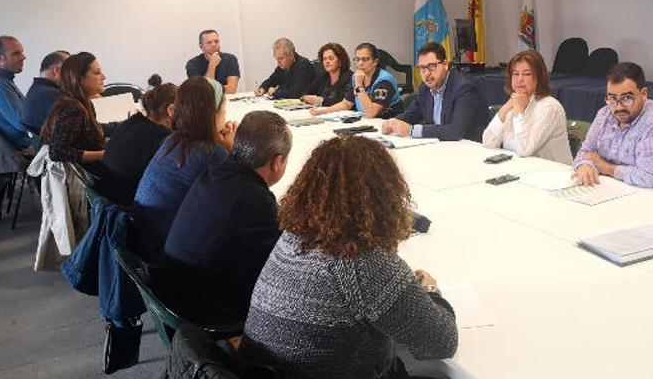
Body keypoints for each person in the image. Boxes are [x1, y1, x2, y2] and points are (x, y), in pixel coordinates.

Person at [241, 136, 457, 379]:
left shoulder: (292, 237)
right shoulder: (365, 266)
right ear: (385, 196)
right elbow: (442, 343)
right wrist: (429, 290)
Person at [160, 111, 289, 325]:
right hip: (207, 314)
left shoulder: (214, 173)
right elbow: (280, 264)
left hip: (173, 293)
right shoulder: (255, 200)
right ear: (277, 162)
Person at [133, 76, 237, 254]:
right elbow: (239, 199)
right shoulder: (212, 154)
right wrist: (230, 150)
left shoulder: (172, 140)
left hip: (142, 239)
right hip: (167, 252)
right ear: (213, 113)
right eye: (224, 109)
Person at [573, 62, 653, 196]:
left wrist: (606, 167)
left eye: (627, 98)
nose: (618, 107)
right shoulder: (605, 114)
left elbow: (649, 178)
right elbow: (586, 152)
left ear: (643, 94)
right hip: (625, 190)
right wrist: (585, 165)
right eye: (612, 98)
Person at [95, 75, 176, 206]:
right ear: (171, 110)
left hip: (105, 199)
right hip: (126, 208)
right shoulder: (161, 138)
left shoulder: (133, 121)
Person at [383, 42, 488, 141]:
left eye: (432, 66)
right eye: (422, 68)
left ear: (445, 65)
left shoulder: (464, 88)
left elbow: (455, 131)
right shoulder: (425, 88)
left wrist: (411, 130)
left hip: (470, 149)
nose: (426, 73)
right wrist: (392, 122)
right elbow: (411, 114)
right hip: (440, 147)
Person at [482, 49, 572, 163]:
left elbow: (524, 150)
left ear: (539, 78)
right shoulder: (515, 101)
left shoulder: (549, 107)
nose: (519, 79)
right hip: (519, 170)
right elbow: (488, 142)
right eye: (515, 74)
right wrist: (505, 108)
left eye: (526, 74)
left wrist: (520, 112)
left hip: (551, 174)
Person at [40, 52, 116, 176]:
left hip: (92, 171)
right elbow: (57, 152)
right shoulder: (74, 109)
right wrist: (103, 155)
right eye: (97, 73)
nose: (103, 77)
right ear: (79, 78)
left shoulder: (80, 103)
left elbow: (88, 130)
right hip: (93, 176)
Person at [310, 42, 400, 119]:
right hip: (366, 121)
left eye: (364, 59)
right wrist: (323, 111)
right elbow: (346, 104)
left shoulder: (384, 80)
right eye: (357, 59)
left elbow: (371, 113)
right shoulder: (356, 77)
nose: (360, 63)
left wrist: (359, 85)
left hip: (388, 123)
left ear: (375, 62)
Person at [0, 36, 32, 176]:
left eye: (22, 52)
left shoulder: (6, 81)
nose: (23, 57)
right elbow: (23, 122)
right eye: (16, 53)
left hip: (14, 151)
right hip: (13, 154)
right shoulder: (0, 85)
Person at [22, 50, 69, 134]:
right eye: (70, 71)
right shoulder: (53, 95)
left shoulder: (36, 90)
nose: (72, 76)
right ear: (56, 71)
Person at [185, 30, 240, 94]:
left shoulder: (230, 59)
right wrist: (212, 65)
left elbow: (231, 89)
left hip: (227, 99)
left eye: (216, 41)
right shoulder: (192, 64)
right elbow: (202, 92)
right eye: (209, 42)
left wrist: (211, 89)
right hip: (204, 102)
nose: (214, 45)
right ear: (201, 46)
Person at [301, 42, 353, 107]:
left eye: (331, 58)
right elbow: (306, 92)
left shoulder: (349, 77)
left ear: (340, 61)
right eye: (324, 59)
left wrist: (319, 101)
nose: (327, 61)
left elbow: (343, 102)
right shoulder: (323, 76)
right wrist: (306, 97)